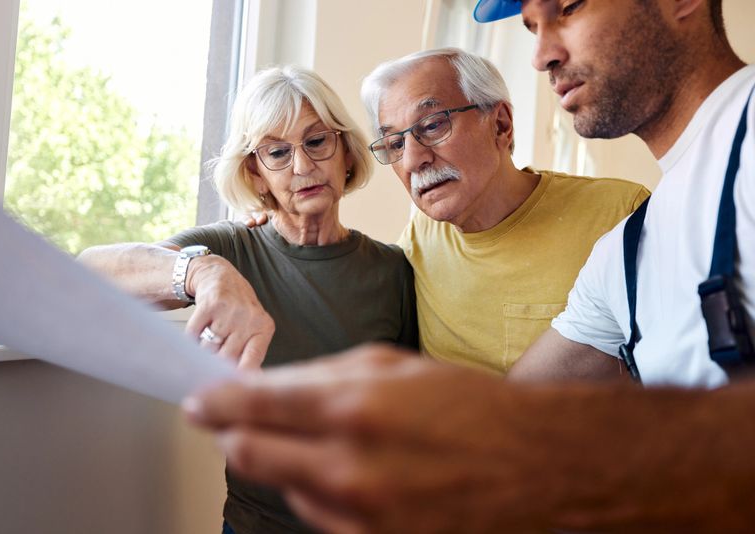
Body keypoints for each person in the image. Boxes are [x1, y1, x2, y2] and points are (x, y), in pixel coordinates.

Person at [184, 0, 755, 531]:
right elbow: (504, 411)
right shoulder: (629, 246)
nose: (541, 54)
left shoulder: (650, 201)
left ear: (501, 126)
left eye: (569, 6)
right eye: (531, 25)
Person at [79, 65, 417, 534]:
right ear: (256, 174)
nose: (302, 167)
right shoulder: (229, 248)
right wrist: (202, 271)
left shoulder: (392, 270)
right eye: (278, 153)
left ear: (344, 152)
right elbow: (92, 272)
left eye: (317, 142)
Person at [362, 47, 647, 373]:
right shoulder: (419, 240)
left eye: (431, 125)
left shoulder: (621, 214)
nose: (413, 160)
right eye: (395, 144)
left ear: (500, 125)